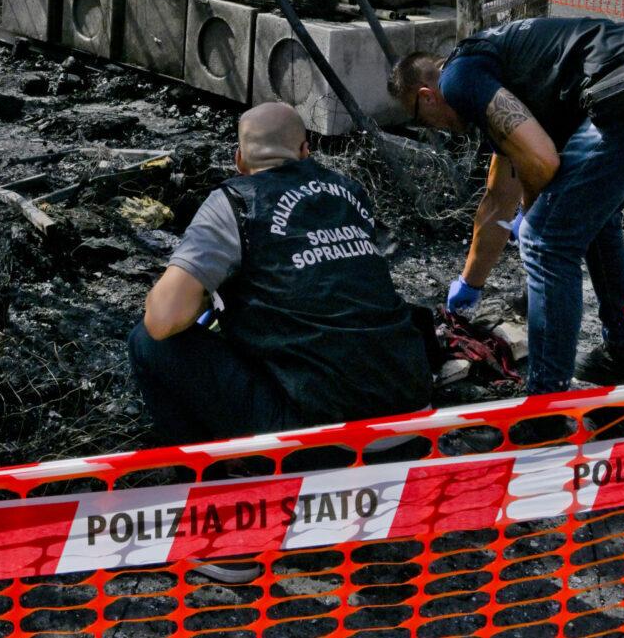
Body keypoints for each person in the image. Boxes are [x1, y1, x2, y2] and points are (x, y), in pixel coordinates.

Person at [388, 16, 624, 396]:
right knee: (594, 219)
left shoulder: (459, 79)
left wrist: (533, 218)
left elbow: (542, 163)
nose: (435, 127)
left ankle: (546, 402)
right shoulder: (492, 73)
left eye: (421, 118)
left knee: (545, 240)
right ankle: (623, 353)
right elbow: (497, 201)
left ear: (426, 96)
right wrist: (469, 285)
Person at [129, 102, 431, 447]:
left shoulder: (236, 202)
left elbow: (163, 319)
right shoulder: (349, 192)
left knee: (148, 342)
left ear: (239, 159)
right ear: (305, 151)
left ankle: (208, 483)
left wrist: (208, 295)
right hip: (415, 418)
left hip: (325, 439)